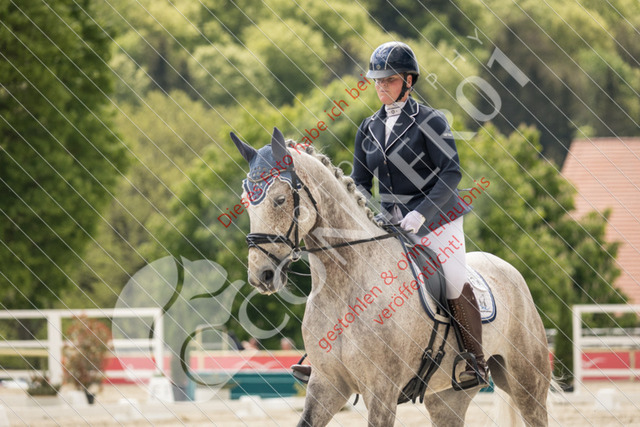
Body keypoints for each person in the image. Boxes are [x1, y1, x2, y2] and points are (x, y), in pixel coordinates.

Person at [350, 41, 487, 384]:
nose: (382, 86)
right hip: (390, 224)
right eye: (378, 80)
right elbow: (360, 182)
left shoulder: (430, 120)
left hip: (437, 219)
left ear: (408, 81)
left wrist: (421, 213)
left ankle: (475, 361)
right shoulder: (368, 127)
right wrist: (366, 213)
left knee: (452, 279)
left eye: (390, 80)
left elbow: (451, 173)